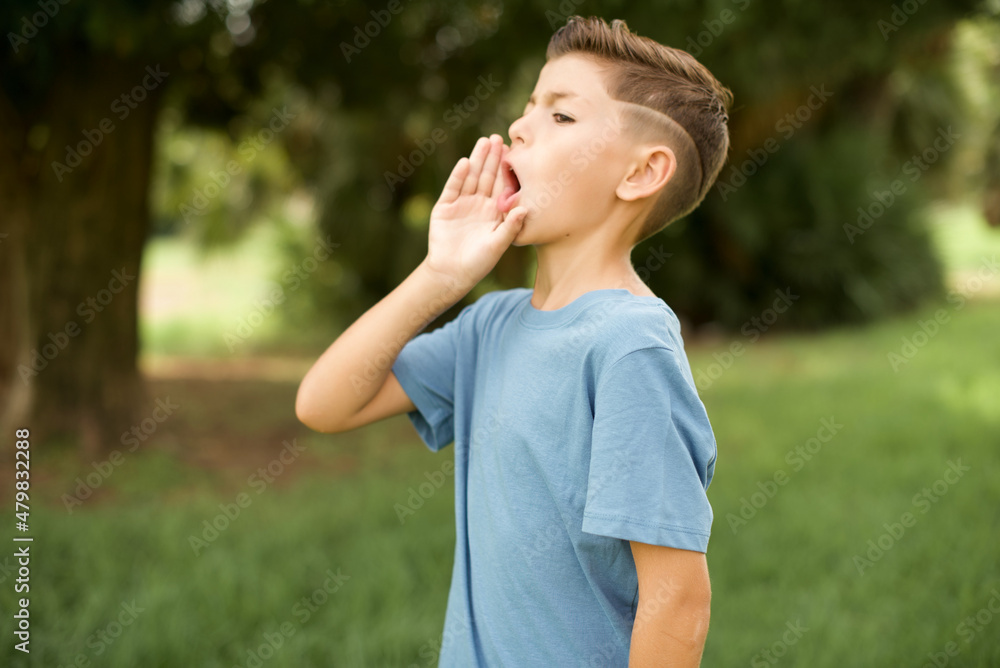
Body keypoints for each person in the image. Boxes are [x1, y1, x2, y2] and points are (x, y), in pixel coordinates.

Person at [296, 14, 732, 667]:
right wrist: (438, 276)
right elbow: (324, 405)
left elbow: (678, 600)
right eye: (528, 106)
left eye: (561, 117)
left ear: (642, 173)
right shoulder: (488, 326)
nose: (519, 128)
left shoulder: (627, 346)